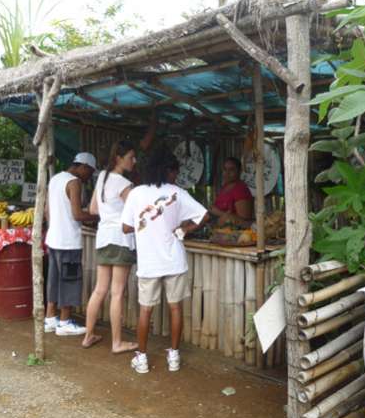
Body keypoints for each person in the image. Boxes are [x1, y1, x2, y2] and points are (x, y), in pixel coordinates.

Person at [122, 148, 209, 374]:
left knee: (145, 311)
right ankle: (174, 356)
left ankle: (141, 358)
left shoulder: (136, 193)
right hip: (174, 260)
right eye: (175, 172)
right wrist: (185, 229)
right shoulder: (177, 193)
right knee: (175, 308)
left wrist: (145, 225)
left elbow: (125, 227)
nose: (176, 177)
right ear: (168, 170)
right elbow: (203, 214)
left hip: (149, 262)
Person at [82, 140, 139, 353]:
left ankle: (88, 335)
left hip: (104, 237)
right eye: (130, 157)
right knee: (117, 293)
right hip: (121, 239)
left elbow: (94, 209)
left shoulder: (102, 178)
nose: (134, 161)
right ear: (119, 159)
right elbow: (136, 212)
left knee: (100, 289)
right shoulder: (123, 184)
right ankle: (117, 342)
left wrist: (110, 212)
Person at [44, 152, 98, 336]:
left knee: (54, 280)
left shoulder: (55, 179)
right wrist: (98, 216)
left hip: (53, 239)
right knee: (70, 281)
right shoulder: (74, 183)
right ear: (83, 167)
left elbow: (46, 211)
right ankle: (65, 321)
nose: (88, 177)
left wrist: (56, 227)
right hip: (69, 243)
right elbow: (77, 214)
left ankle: (50, 318)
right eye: (89, 173)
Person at [210, 157, 253, 226]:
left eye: (231, 170)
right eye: (225, 169)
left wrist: (219, 213)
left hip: (234, 233)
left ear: (239, 171)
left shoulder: (240, 189)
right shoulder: (225, 187)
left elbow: (245, 222)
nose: (227, 173)